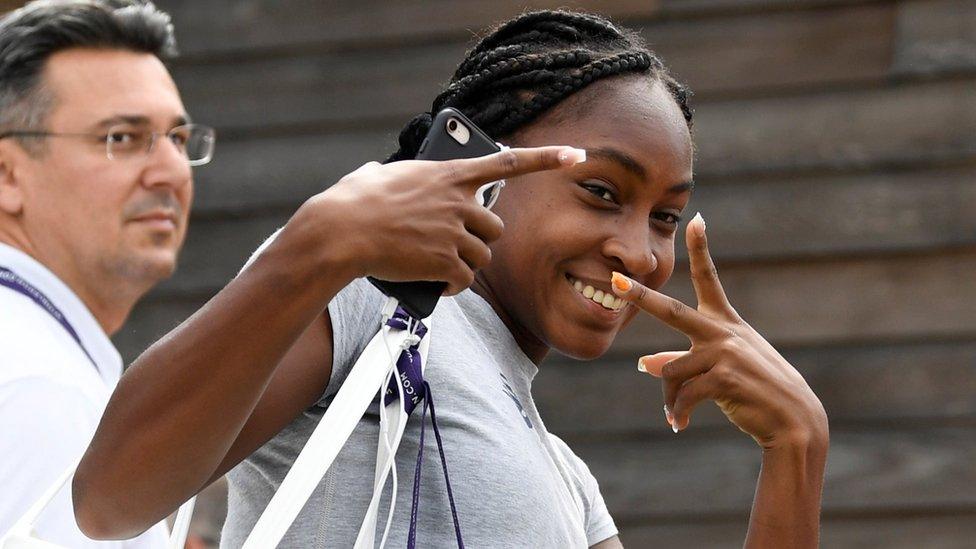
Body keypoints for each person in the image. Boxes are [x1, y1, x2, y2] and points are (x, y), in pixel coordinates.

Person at [74, 10, 829, 548]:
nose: (639, 251)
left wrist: (795, 451)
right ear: (483, 168)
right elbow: (110, 501)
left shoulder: (566, 480)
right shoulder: (368, 292)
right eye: (602, 192)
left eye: (665, 217)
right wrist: (313, 244)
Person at [0, 0, 214, 546]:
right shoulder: (38, 385)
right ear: (7, 175)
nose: (171, 171)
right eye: (120, 138)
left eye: (179, 139)